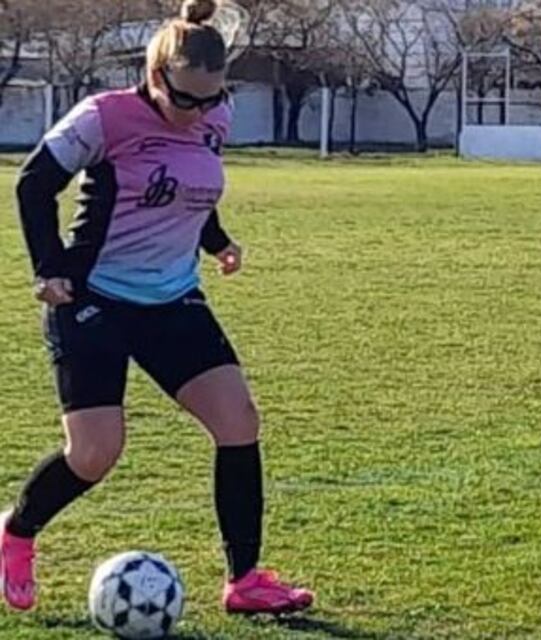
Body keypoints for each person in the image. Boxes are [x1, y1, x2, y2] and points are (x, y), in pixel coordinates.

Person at [3, 0, 313, 615]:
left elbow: (192, 185)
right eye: (186, 100)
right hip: (93, 297)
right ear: (154, 75)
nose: (199, 112)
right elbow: (34, 182)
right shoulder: (103, 117)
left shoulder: (213, 117)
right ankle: (15, 533)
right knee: (95, 453)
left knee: (238, 421)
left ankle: (245, 581)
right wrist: (49, 268)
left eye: (212, 99)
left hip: (171, 298)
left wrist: (216, 241)